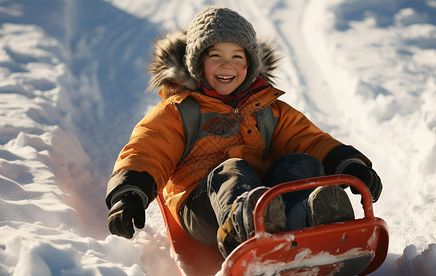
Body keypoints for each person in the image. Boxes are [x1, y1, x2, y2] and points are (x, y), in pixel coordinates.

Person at [105, 7, 382, 258]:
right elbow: (148, 149)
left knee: (301, 162)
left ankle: (310, 218)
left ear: (249, 66)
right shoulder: (179, 111)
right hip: (203, 209)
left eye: (237, 57)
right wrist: (129, 192)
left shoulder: (268, 110)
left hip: (264, 200)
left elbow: (309, 139)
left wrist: (348, 163)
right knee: (232, 170)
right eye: (216, 56)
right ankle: (244, 229)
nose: (227, 66)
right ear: (197, 63)